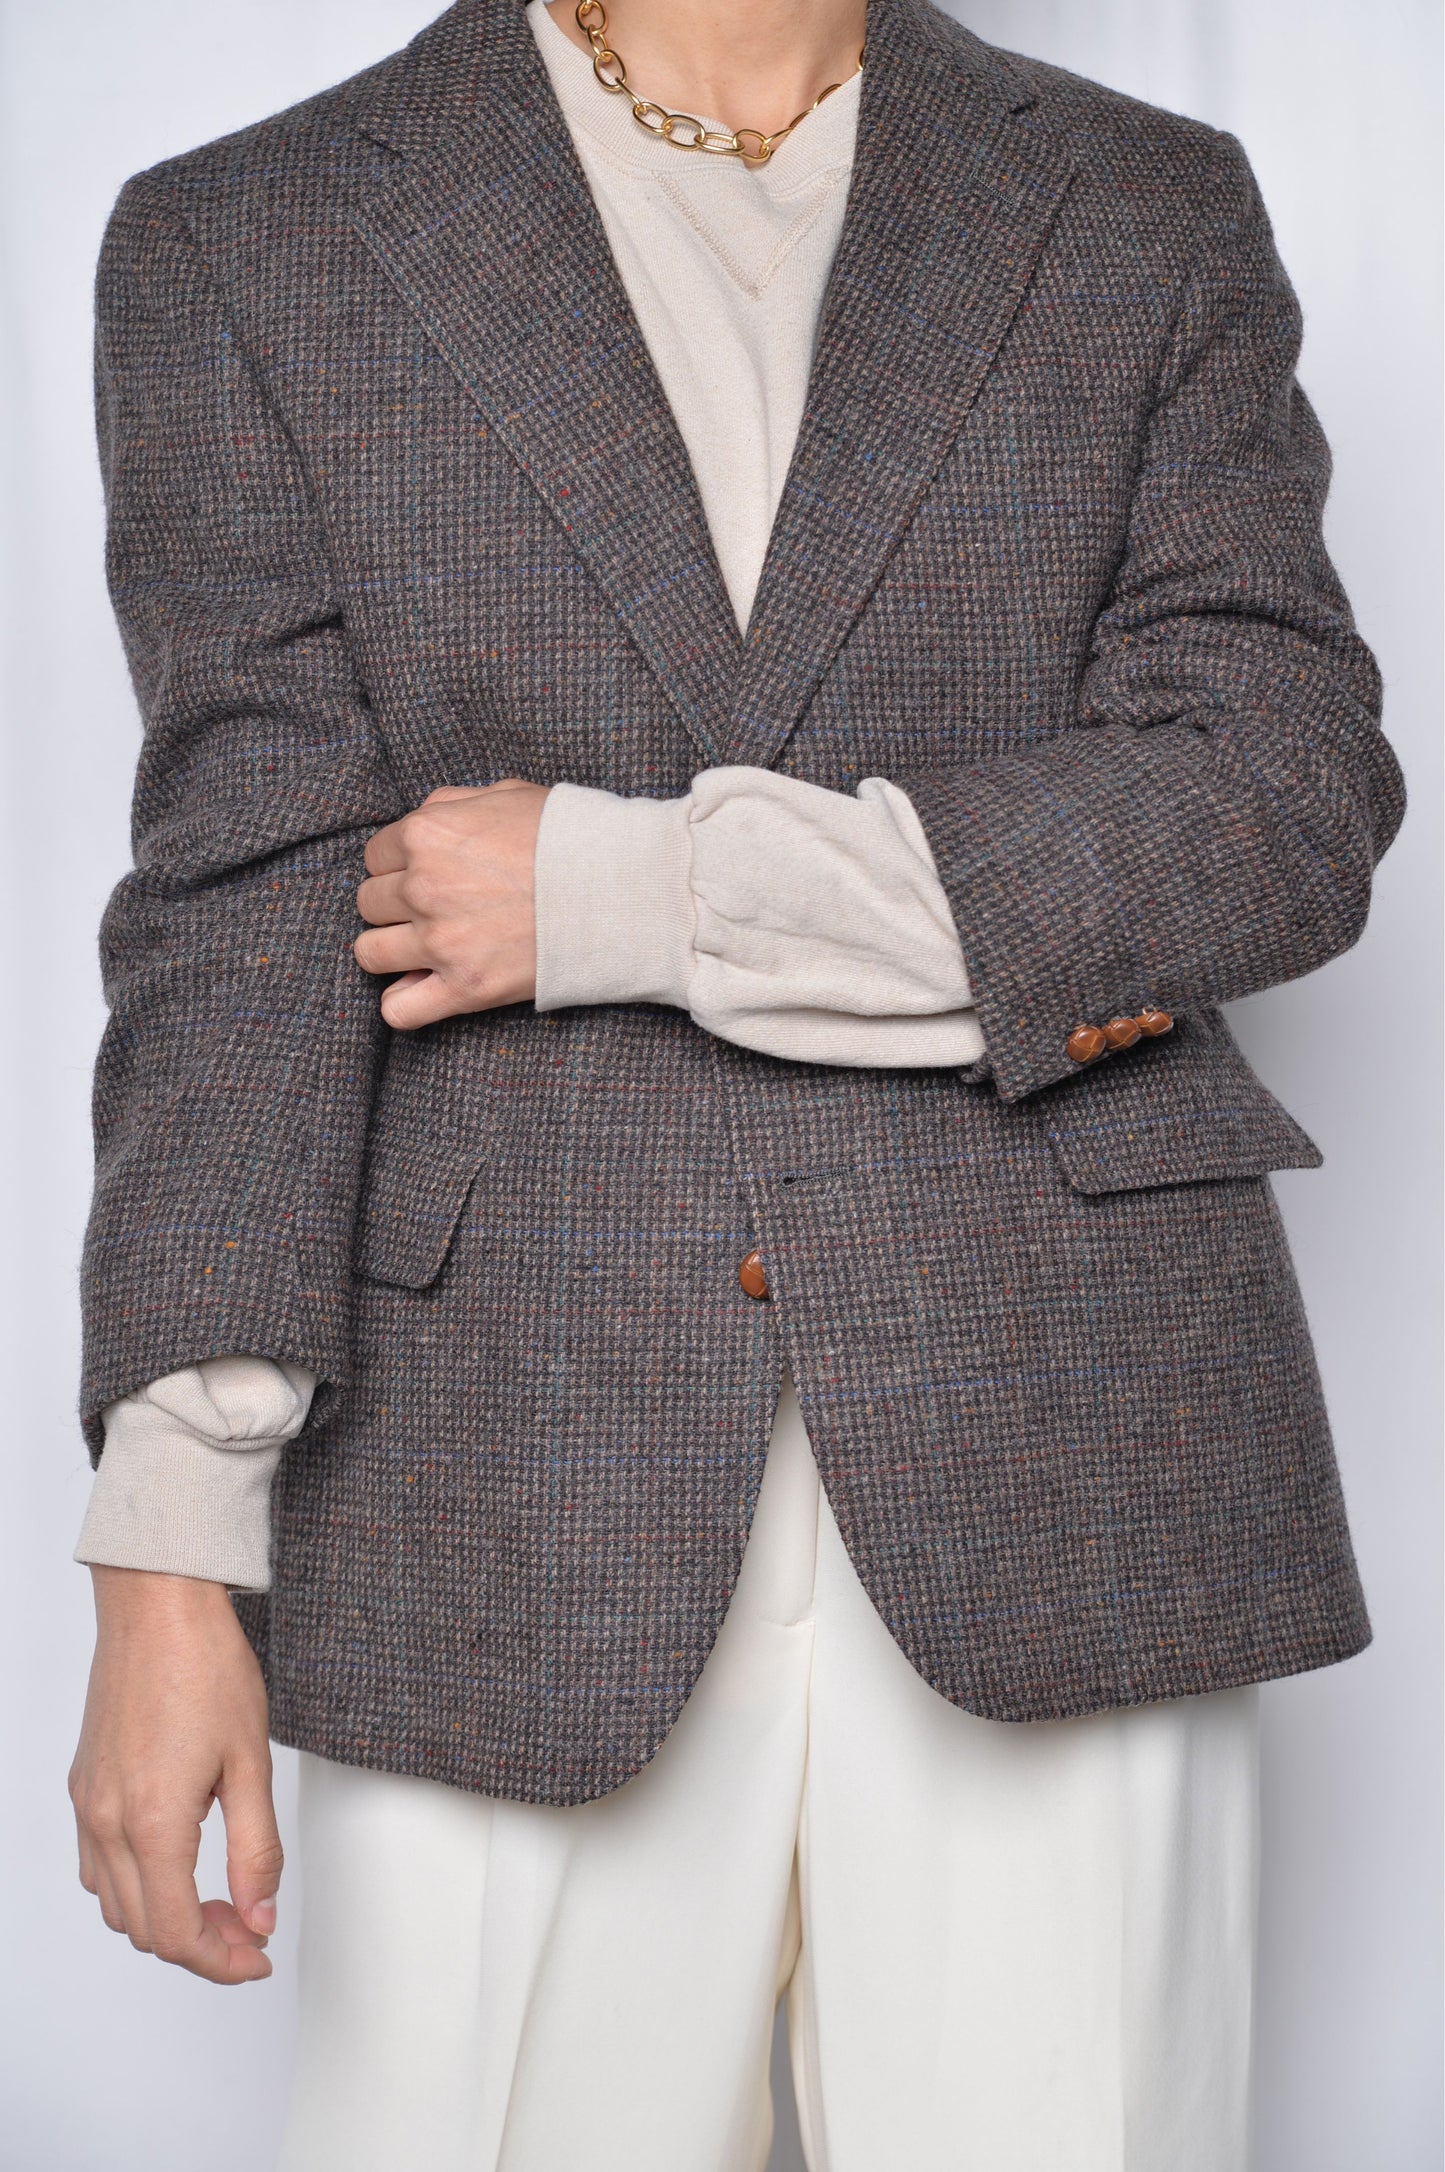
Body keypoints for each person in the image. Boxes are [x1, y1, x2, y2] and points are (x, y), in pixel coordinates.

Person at [65, 0, 1406, 2162]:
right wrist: (166, 1548)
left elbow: (1276, 804)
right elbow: (245, 911)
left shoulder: (1141, 205)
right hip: (500, 1477)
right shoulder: (257, 233)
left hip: (1064, 1442)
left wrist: (626, 895)